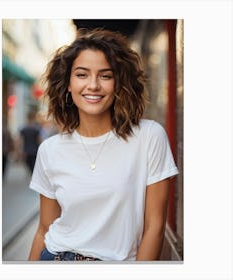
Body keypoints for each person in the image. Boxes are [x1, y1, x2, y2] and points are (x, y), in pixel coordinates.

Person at [28, 28, 179, 261]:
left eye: (105, 75)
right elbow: (44, 228)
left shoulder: (149, 136)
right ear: (68, 84)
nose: (93, 85)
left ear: (119, 83)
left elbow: (154, 227)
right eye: (82, 75)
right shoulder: (50, 150)